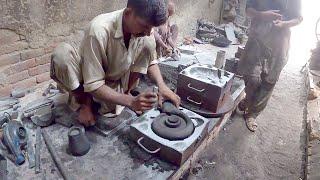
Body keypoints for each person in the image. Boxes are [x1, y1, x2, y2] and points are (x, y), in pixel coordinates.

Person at [50, 0, 181, 126]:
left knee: (148, 43)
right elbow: (94, 84)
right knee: (62, 55)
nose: (148, 32)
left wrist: (162, 86)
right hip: (89, 79)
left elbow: (151, 62)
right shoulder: (98, 30)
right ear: (128, 13)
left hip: (115, 79)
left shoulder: (144, 29)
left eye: (151, 28)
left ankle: (126, 92)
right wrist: (130, 102)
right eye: (145, 26)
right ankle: (85, 103)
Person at [237, 0, 303, 132]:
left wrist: (285, 24)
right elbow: (248, 10)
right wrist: (261, 14)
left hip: (279, 41)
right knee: (251, 75)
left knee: (269, 80)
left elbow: (299, 18)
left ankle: (252, 114)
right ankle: (249, 99)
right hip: (258, 37)